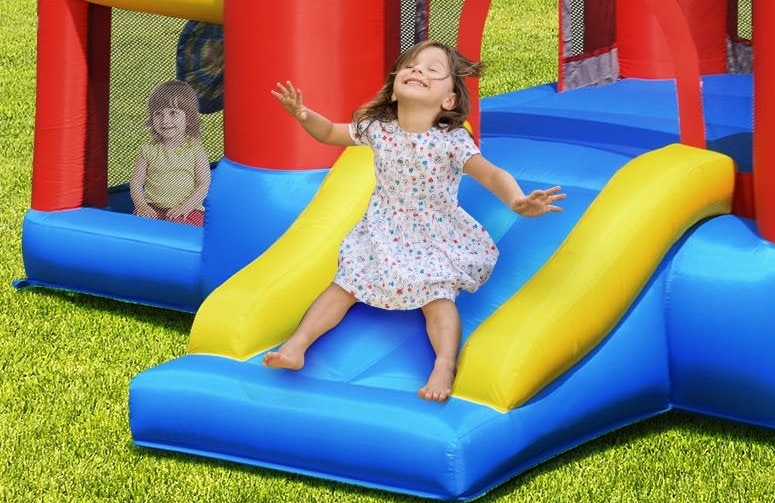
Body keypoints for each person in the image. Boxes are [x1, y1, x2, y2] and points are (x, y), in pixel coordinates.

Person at [264, 41, 565, 402]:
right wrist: (303, 114)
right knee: (344, 284)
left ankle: (444, 363)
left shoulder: (450, 141)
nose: (417, 71)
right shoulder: (379, 128)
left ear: (449, 100)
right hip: (382, 227)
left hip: (433, 233)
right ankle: (297, 345)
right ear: (394, 88)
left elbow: (490, 174)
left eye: (432, 69)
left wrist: (518, 201)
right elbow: (330, 132)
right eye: (410, 66)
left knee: (437, 297)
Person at [130, 80, 210, 225]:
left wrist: (186, 207)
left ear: (188, 118)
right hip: (154, 209)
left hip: (189, 211)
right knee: (140, 225)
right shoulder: (147, 150)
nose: (165, 120)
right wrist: (141, 206)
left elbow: (203, 183)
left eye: (173, 113)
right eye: (158, 114)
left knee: (177, 226)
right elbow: (136, 182)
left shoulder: (195, 150)